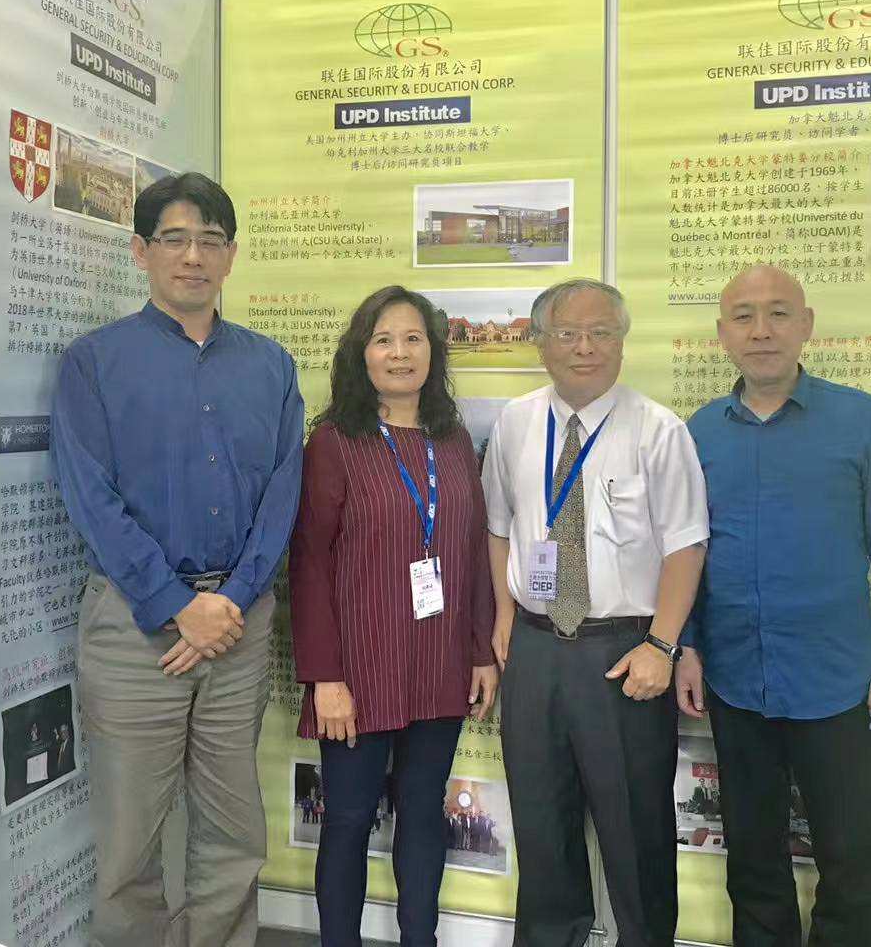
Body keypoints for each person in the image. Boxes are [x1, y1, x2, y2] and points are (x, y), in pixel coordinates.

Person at [51, 172, 303, 947]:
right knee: (130, 837)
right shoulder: (93, 363)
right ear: (141, 251)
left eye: (211, 241)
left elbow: (283, 494)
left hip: (238, 625)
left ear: (230, 256)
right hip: (134, 627)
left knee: (233, 830)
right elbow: (91, 497)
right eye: (175, 239)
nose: (193, 256)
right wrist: (175, 604)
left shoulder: (270, 365)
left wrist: (230, 601)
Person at [677, 264, 871, 947]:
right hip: (736, 678)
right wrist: (689, 645)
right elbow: (688, 550)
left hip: (838, 680)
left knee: (847, 864)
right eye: (744, 316)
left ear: (807, 325)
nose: (761, 330)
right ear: (723, 334)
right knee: (753, 862)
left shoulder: (861, 419)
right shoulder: (700, 432)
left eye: (779, 313)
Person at [483, 278, 710, 947]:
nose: (585, 347)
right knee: (541, 825)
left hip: (624, 652)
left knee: (636, 832)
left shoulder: (658, 429)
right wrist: (503, 615)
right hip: (534, 647)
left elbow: (687, 544)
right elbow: (498, 527)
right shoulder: (515, 422)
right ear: (541, 343)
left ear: (621, 342)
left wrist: (662, 645)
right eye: (568, 333)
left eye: (601, 333)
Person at [289, 286, 498, 947]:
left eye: (413, 339)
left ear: (433, 352)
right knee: (349, 820)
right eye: (384, 340)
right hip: (359, 669)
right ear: (362, 353)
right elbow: (309, 563)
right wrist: (324, 677)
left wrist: (481, 652)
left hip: (439, 663)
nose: (399, 353)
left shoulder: (453, 439)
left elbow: (472, 549)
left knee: (424, 814)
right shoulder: (334, 442)